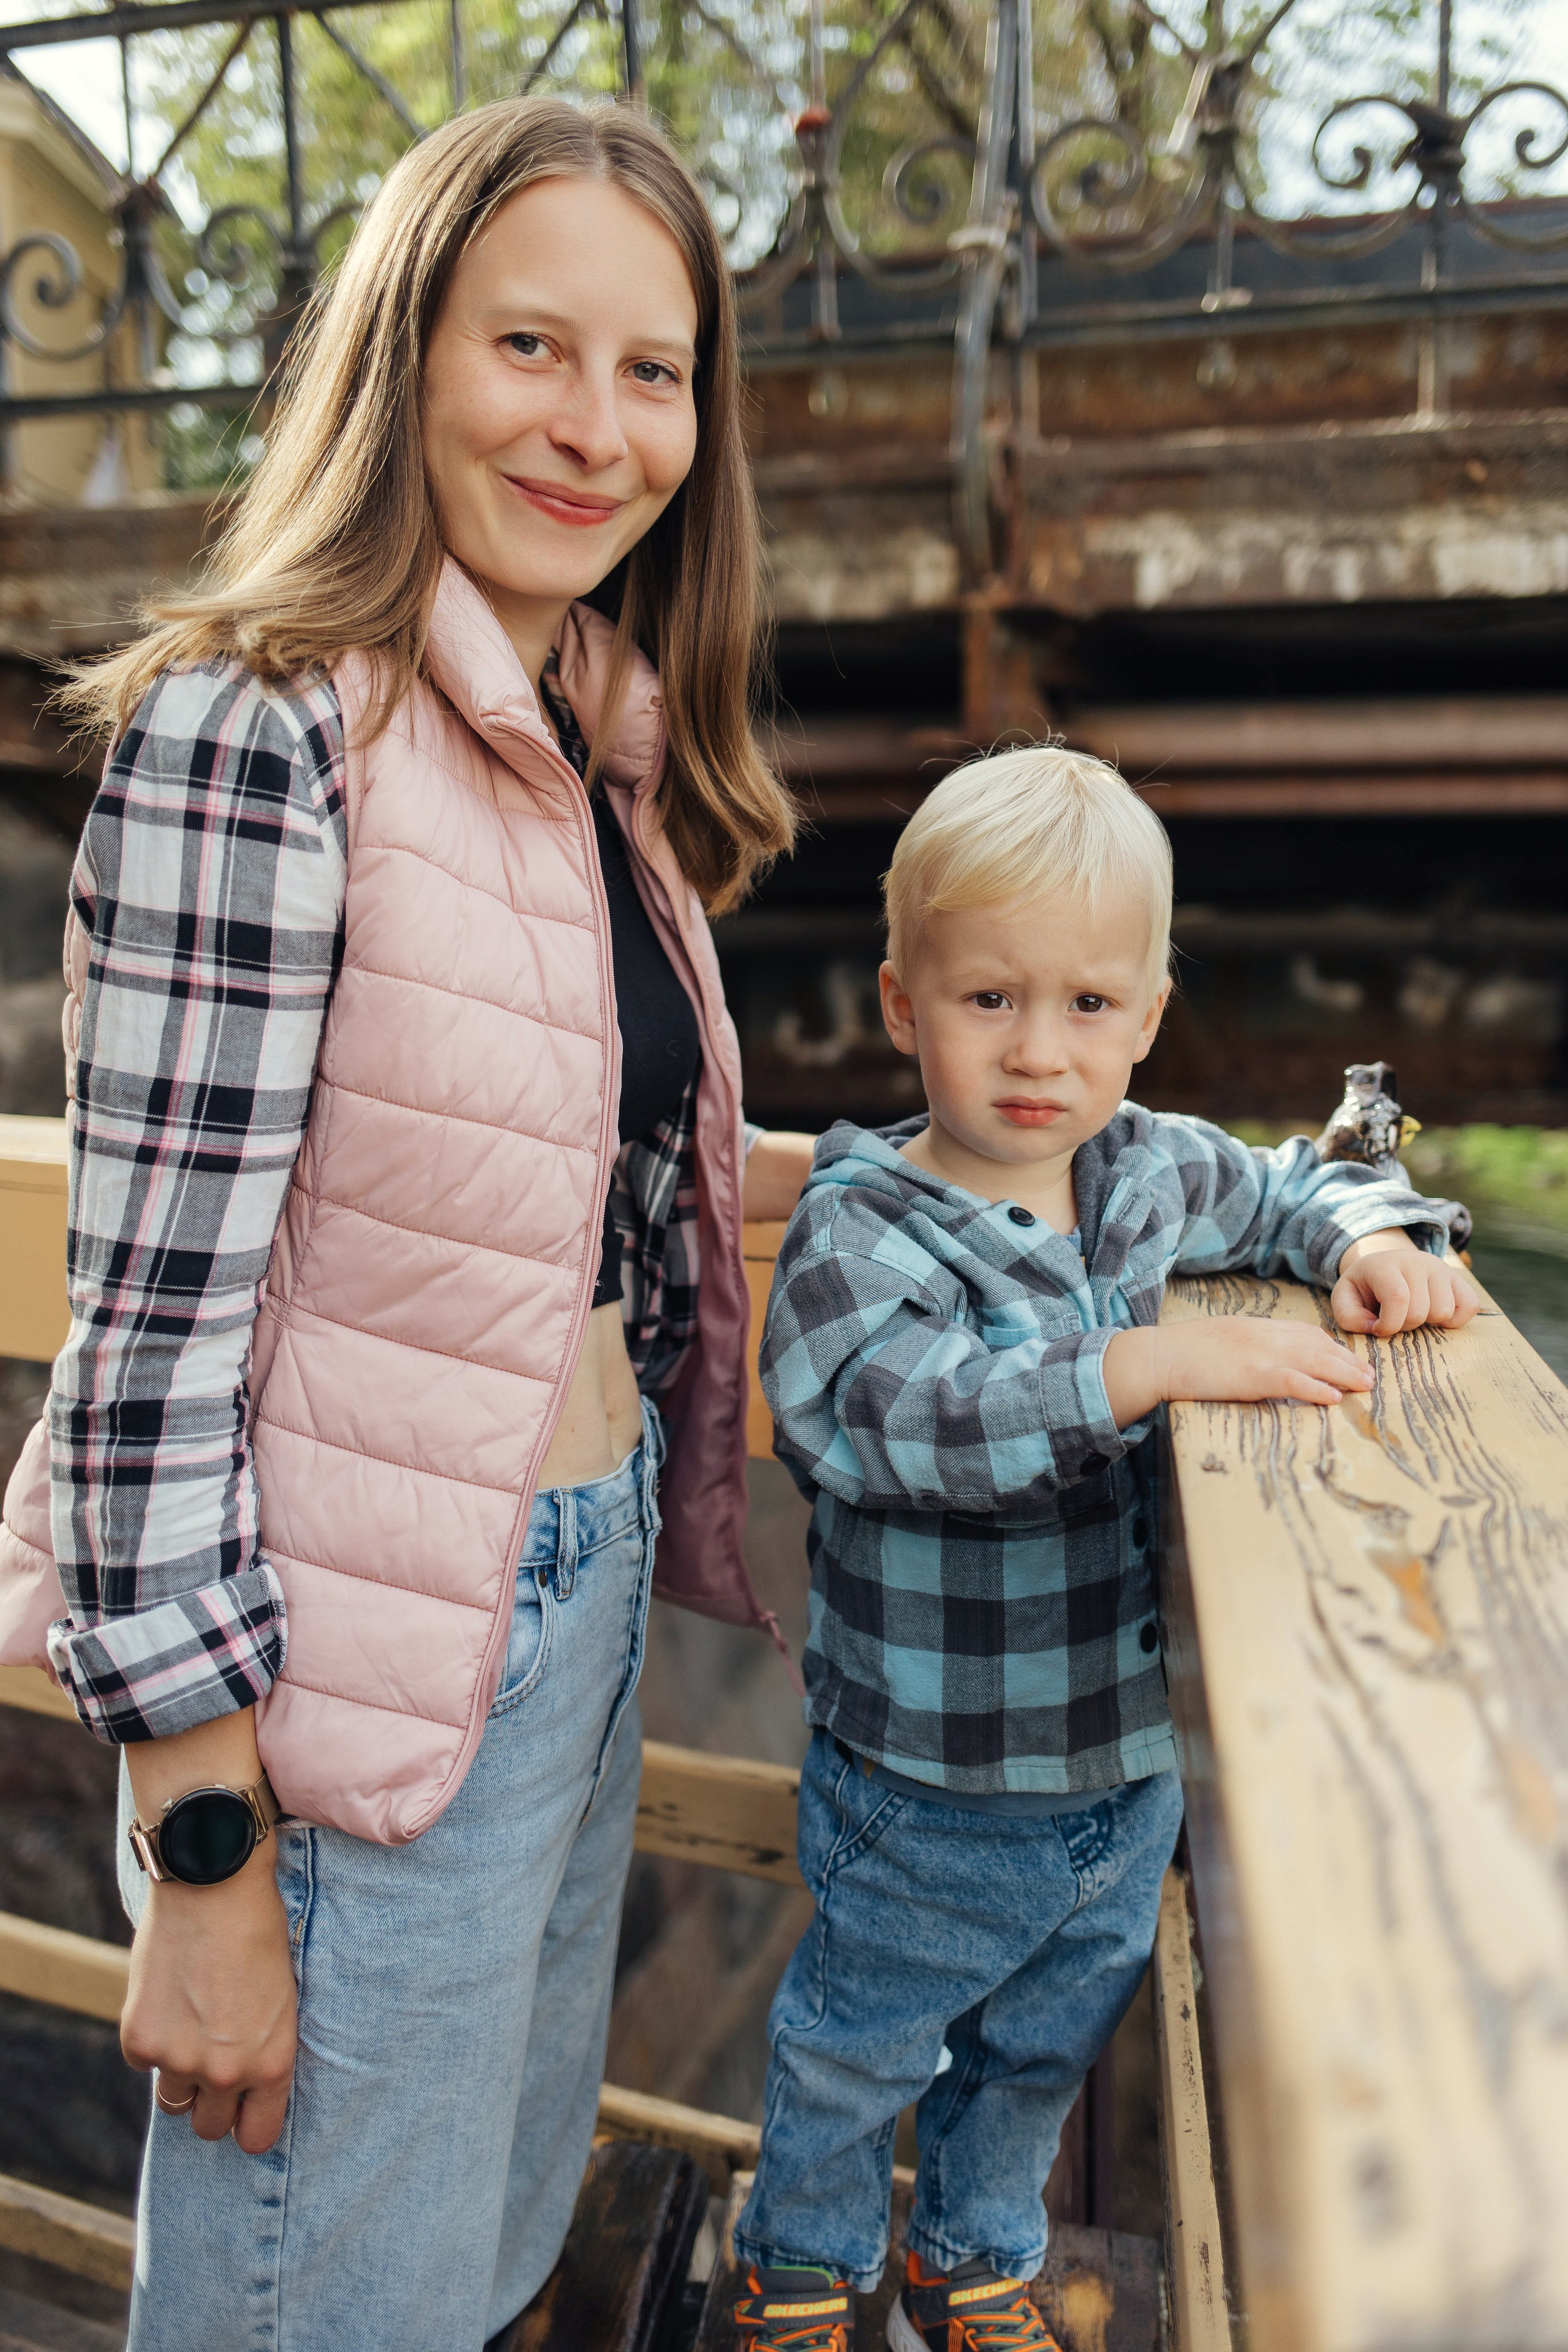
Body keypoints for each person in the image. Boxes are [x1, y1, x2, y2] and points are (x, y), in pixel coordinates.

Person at [0, 97, 815, 2352]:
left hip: (559, 1620)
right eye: (529, 345)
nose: (596, 427)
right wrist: (200, 1860)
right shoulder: (257, 732)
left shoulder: (586, 737)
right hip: (355, 1684)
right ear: (404, 353)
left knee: (469, 2283)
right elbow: (150, 1345)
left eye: (653, 371)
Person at [729, 746, 1479, 2352]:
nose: (1038, 1049)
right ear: (902, 1006)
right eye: (989, 999)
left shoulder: (1148, 1166)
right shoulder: (865, 1228)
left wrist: (1366, 1238)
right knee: (860, 2048)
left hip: (1122, 1770)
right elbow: (888, 1422)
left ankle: (971, 2255)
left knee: (1042, 2052)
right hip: (926, 1777)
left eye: (1087, 1004)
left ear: (1147, 1016)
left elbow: (1291, 1183)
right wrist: (1137, 1366)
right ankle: (800, 2266)